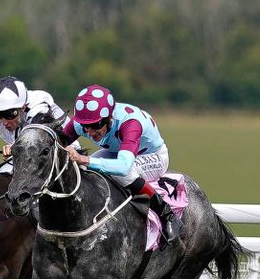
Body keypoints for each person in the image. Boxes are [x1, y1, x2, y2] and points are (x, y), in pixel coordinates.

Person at [60, 84, 181, 245]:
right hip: (119, 150)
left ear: (109, 118)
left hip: (152, 156)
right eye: (84, 126)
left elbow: (123, 167)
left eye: (95, 125)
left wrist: (85, 159)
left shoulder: (130, 124)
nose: (89, 132)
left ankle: (167, 214)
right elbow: (56, 143)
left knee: (122, 174)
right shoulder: (80, 123)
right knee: (84, 171)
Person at [0, 76, 74, 173]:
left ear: (23, 107)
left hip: (67, 155)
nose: (4, 122)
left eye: (10, 114)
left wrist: (16, 146)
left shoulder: (39, 107)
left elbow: (35, 138)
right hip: (28, 159)